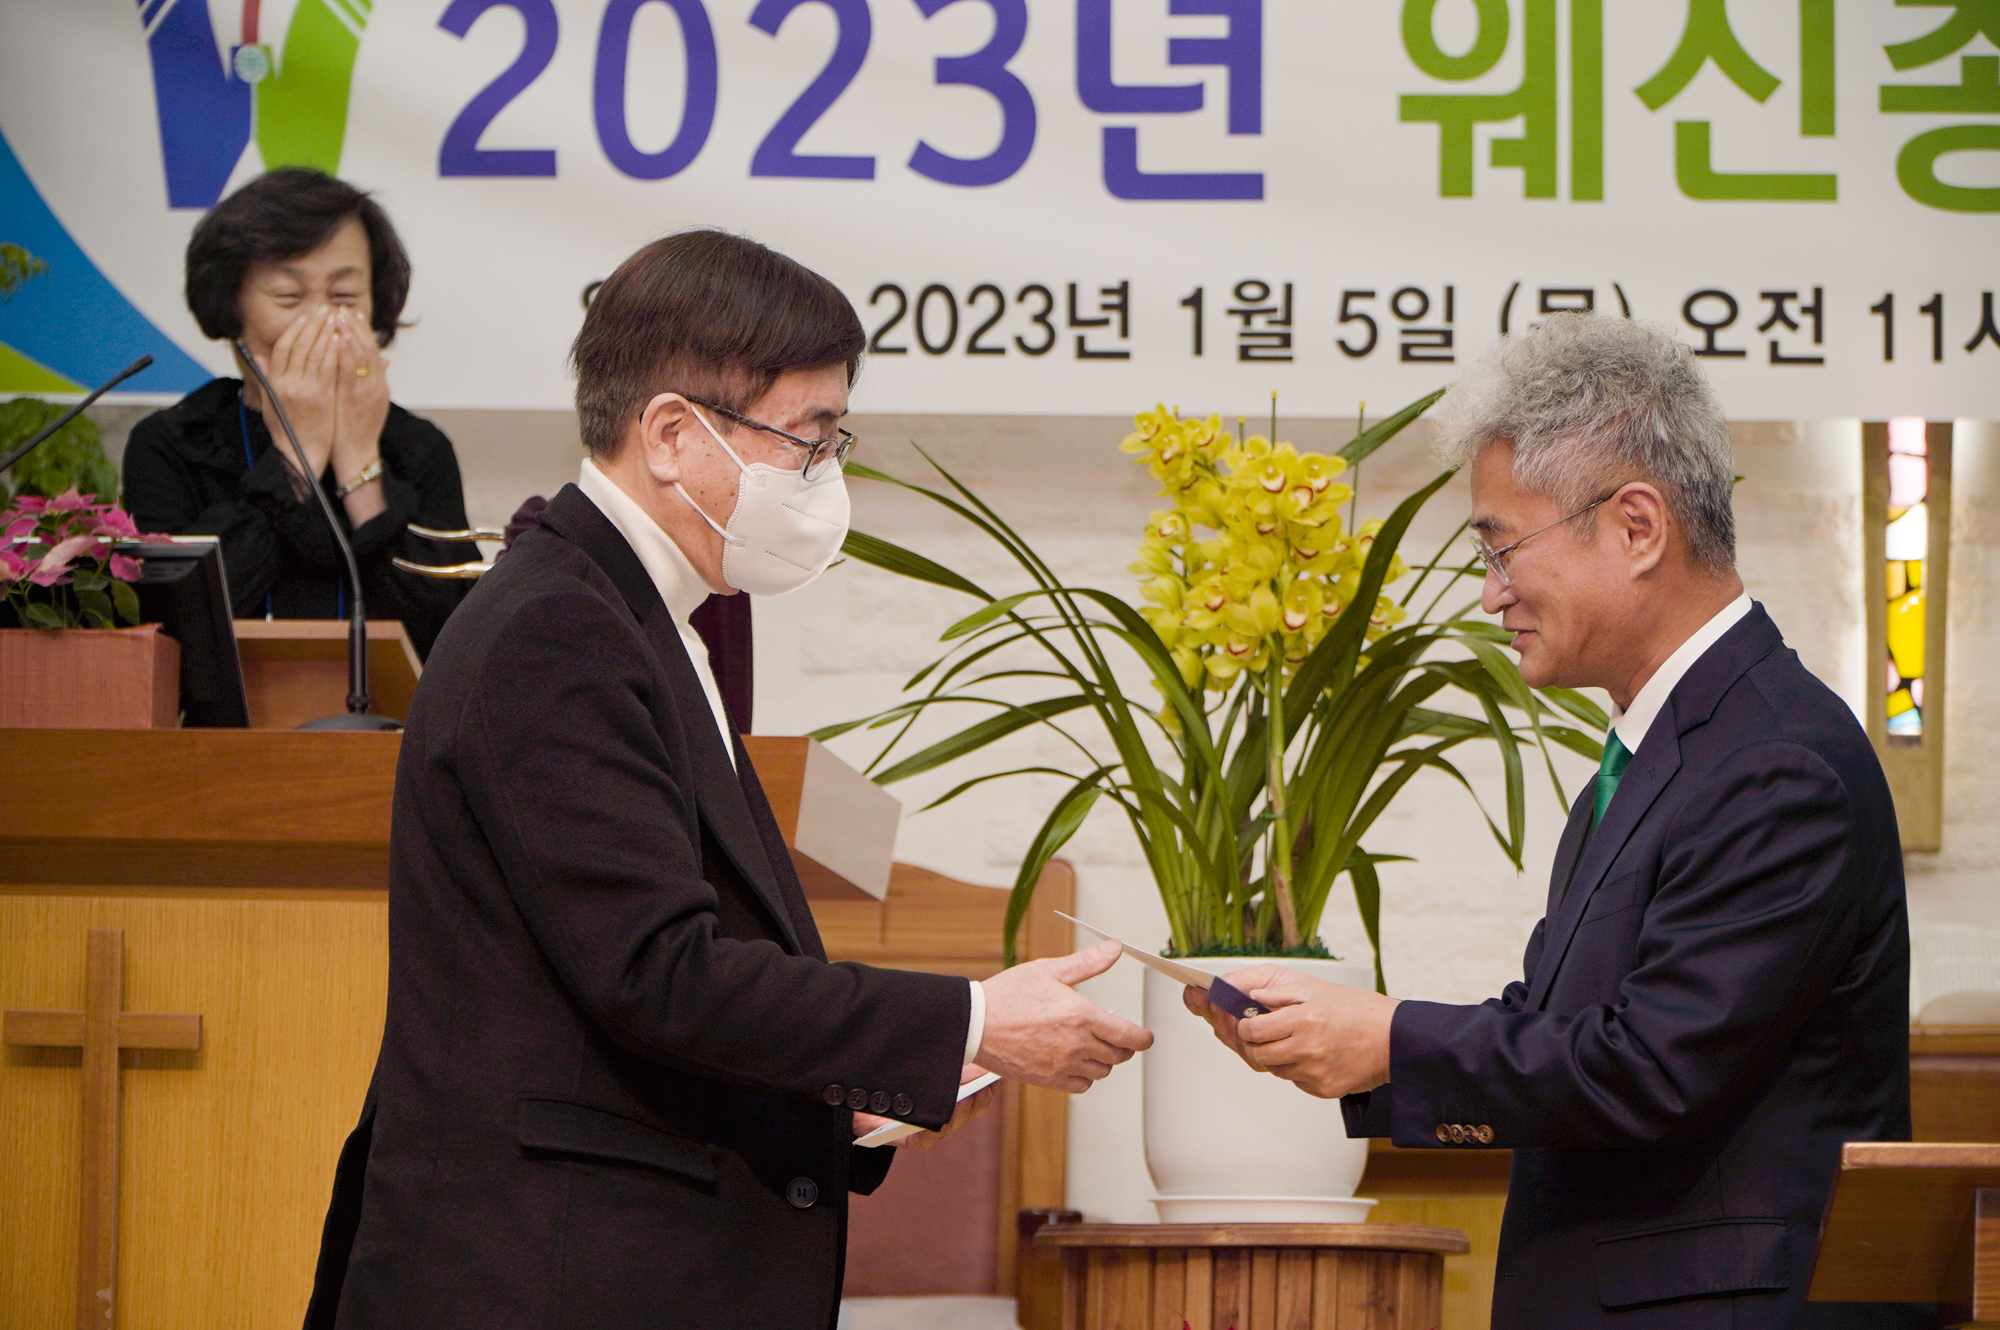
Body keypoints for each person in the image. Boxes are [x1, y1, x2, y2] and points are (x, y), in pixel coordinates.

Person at [302, 230, 1152, 1330]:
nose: (824, 476)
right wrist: (972, 1020)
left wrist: (840, 1105)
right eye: (806, 438)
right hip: (540, 1273)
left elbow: (624, 1003)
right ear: (670, 434)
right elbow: (656, 970)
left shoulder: (637, 616)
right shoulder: (557, 627)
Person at [1188, 315, 1917, 1328]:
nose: (1491, 596)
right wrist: (1346, 1044)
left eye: (1502, 549)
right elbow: (1558, 1032)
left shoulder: (1775, 762)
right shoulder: (1656, 754)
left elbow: (1649, 1069)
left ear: (1636, 528)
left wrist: (1390, 1038)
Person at [122, 169, 470, 658]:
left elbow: (456, 640)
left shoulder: (420, 448)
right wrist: (297, 451)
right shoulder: (173, 443)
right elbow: (171, 630)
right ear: (231, 305)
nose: (318, 322)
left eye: (344, 297)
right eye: (288, 297)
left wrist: (360, 466)